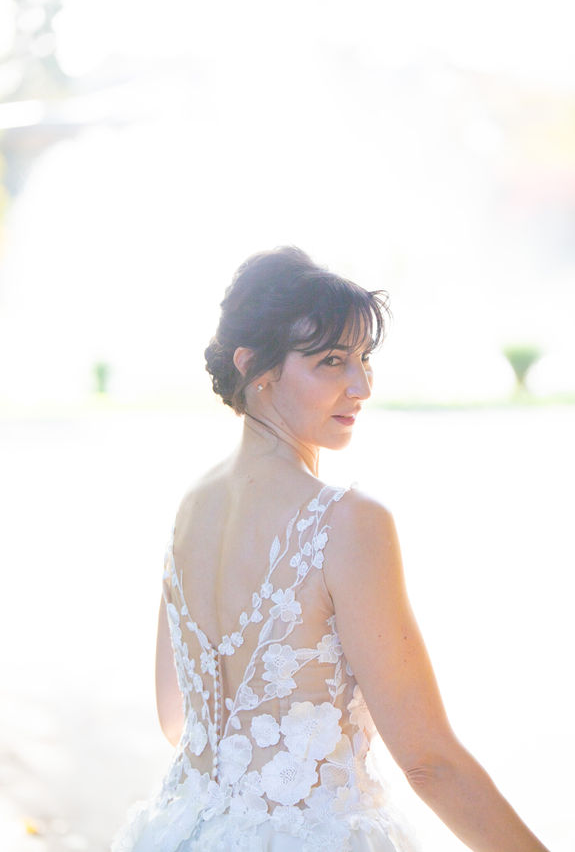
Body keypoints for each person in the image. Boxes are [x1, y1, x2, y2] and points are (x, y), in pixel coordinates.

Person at [111, 247, 550, 852]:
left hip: (183, 831)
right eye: (331, 361)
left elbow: (176, 719)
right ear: (255, 367)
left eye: (364, 358)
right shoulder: (346, 523)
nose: (361, 385)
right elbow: (429, 762)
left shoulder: (191, 508)